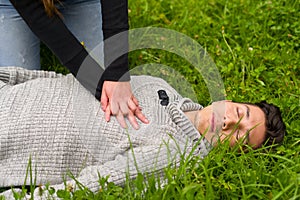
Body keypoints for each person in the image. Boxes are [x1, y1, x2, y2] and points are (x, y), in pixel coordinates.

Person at [0, 67, 286, 199]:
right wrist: (10, 76)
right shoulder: (159, 84)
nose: (229, 123)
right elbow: (74, 81)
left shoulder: (174, 155)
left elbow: (95, 183)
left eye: (240, 135)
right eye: (240, 113)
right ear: (230, 101)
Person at [0, 0, 148, 130]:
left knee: (103, 101)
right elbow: (36, 14)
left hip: (80, 1)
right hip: (14, 5)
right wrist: (97, 83)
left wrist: (116, 74)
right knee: (18, 100)